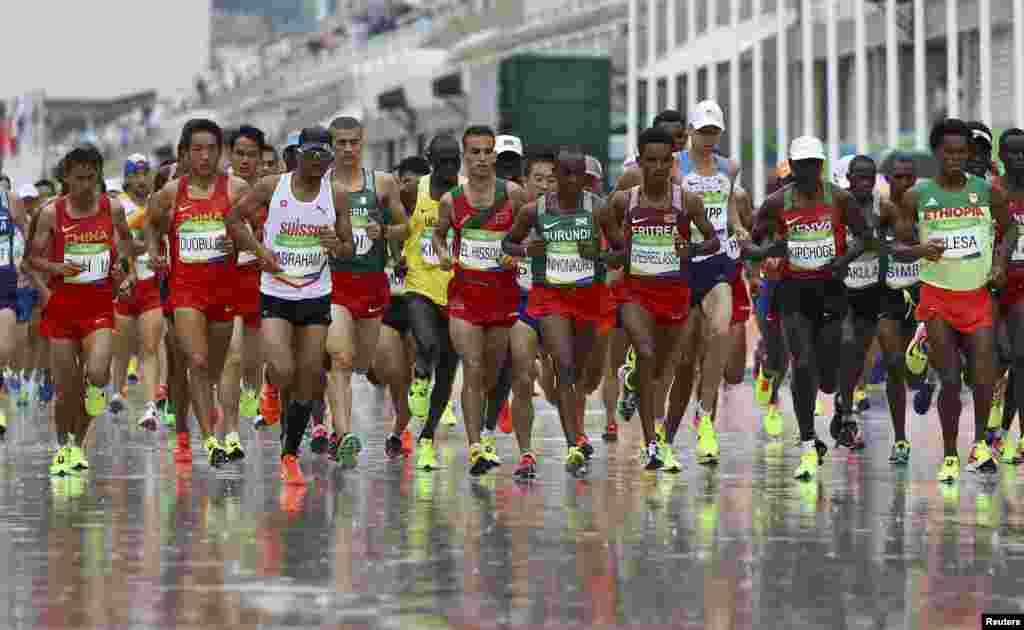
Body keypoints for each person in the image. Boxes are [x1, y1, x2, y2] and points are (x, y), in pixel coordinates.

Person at [228, 126, 354, 482]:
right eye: (310, 154)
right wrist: (259, 252)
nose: (317, 163)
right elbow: (233, 220)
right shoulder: (273, 187)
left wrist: (336, 245)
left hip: (316, 294)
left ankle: (289, 453)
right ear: (298, 155)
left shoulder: (338, 195)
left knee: (309, 375)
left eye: (324, 156)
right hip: (277, 291)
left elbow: (350, 248)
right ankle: (271, 384)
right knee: (284, 370)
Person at [892, 119, 1012, 483]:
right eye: (949, 153)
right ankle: (949, 455)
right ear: (937, 154)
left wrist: (999, 263)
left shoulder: (986, 190)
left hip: (976, 296)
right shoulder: (917, 195)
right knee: (949, 379)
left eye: (963, 152)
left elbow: (1010, 230)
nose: (957, 158)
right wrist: (920, 249)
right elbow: (898, 248)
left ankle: (977, 445)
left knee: (983, 375)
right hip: (938, 298)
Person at [745, 135, 869, 481]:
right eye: (800, 166)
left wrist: (843, 260)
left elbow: (865, 235)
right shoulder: (775, 203)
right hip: (793, 291)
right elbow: (755, 242)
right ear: (793, 167)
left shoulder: (840, 199)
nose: (807, 172)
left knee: (827, 377)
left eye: (813, 165)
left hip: (829, 289)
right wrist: (772, 252)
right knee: (801, 361)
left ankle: (832, 408)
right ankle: (806, 441)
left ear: (821, 166)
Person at [604, 126, 719, 471]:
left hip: (674, 293)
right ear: (639, 162)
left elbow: (713, 242)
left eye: (663, 161)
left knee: (662, 370)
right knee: (647, 352)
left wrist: (692, 249)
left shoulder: (688, 201)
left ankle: (635, 384)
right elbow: (610, 245)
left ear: (672, 162)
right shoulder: (625, 201)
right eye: (649, 160)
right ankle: (651, 443)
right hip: (635, 292)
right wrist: (610, 258)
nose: (656, 167)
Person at [503, 147, 614, 476]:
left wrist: (598, 254)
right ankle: (529, 453)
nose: (548, 184)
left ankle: (575, 430)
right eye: (540, 179)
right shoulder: (525, 209)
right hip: (531, 303)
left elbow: (619, 250)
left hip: (579, 302)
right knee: (525, 379)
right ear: (526, 181)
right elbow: (505, 245)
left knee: (574, 378)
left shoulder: (593, 207)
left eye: (552, 178)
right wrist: (523, 251)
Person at [146, 119, 248, 468]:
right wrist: (156, 252)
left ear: (221, 152)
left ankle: (210, 421)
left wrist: (236, 240)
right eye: (197, 149)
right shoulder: (173, 192)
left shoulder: (235, 188)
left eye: (211, 149)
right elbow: (150, 221)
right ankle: (208, 441)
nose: (204, 156)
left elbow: (256, 230)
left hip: (223, 290)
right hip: (185, 292)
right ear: (186, 154)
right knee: (198, 362)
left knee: (214, 368)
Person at [29, 145, 135, 474]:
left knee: (98, 373)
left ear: (99, 176)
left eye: (91, 178)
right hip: (62, 309)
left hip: (99, 306)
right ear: (66, 178)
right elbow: (31, 259)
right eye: (78, 179)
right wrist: (57, 270)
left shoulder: (112, 208)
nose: (85, 185)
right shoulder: (50, 213)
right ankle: (66, 448)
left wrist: (125, 272)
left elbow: (126, 248)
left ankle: (81, 434)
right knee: (65, 391)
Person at [433, 125, 528, 475]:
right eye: (475, 152)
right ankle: (475, 447)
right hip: (464, 297)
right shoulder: (451, 201)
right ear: (465, 156)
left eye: (488, 151)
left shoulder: (514, 195)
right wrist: (443, 254)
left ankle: (486, 433)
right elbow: (439, 236)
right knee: (472, 367)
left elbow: (528, 235)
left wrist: (516, 255)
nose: (482, 158)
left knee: (489, 372)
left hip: (502, 297)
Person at [661, 100, 745, 467]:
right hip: (681, 265)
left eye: (715, 132)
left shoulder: (730, 167)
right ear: (691, 132)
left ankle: (705, 416)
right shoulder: (672, 164)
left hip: (716, 259)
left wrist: (739, 226)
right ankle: (663, 436)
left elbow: (728, 209)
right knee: (682, 364)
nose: (709, 139)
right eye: (703, 132)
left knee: (721, 329)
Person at [324, 116, 408, 464]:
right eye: (340, 143)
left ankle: (337, 423)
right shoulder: (321, 185)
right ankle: (342, 433)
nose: (347, 149)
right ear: (331, 146)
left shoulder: (383, 184)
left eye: (353, 142)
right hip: (332, 284)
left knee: (360, 363)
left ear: (363, 142)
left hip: (372, 284)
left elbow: (405, 227)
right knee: (340, 358)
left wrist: (384, 233)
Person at [400, 135, 464, 470]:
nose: (450, 168)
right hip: (420, 285)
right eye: (443, 161)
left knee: (449, 370)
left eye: (455, 161)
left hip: (458, 293)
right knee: (428, 343)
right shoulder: (414, 191)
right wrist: (394, 251)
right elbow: (395, 223)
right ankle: (420, 375)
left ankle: (426, 439)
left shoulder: (467, 192)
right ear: (430, 160)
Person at [109, 154, 165, 430]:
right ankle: (117, 391)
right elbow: (118, 244)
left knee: (150, 346)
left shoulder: (158, 203)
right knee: (122, 348)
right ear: (127, 177)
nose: (141, 179)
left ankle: (150, 405)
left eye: (145, 173)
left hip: (152, 283)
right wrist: (126, 268)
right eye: (135, 174)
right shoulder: (119, 205)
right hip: (126, 284)